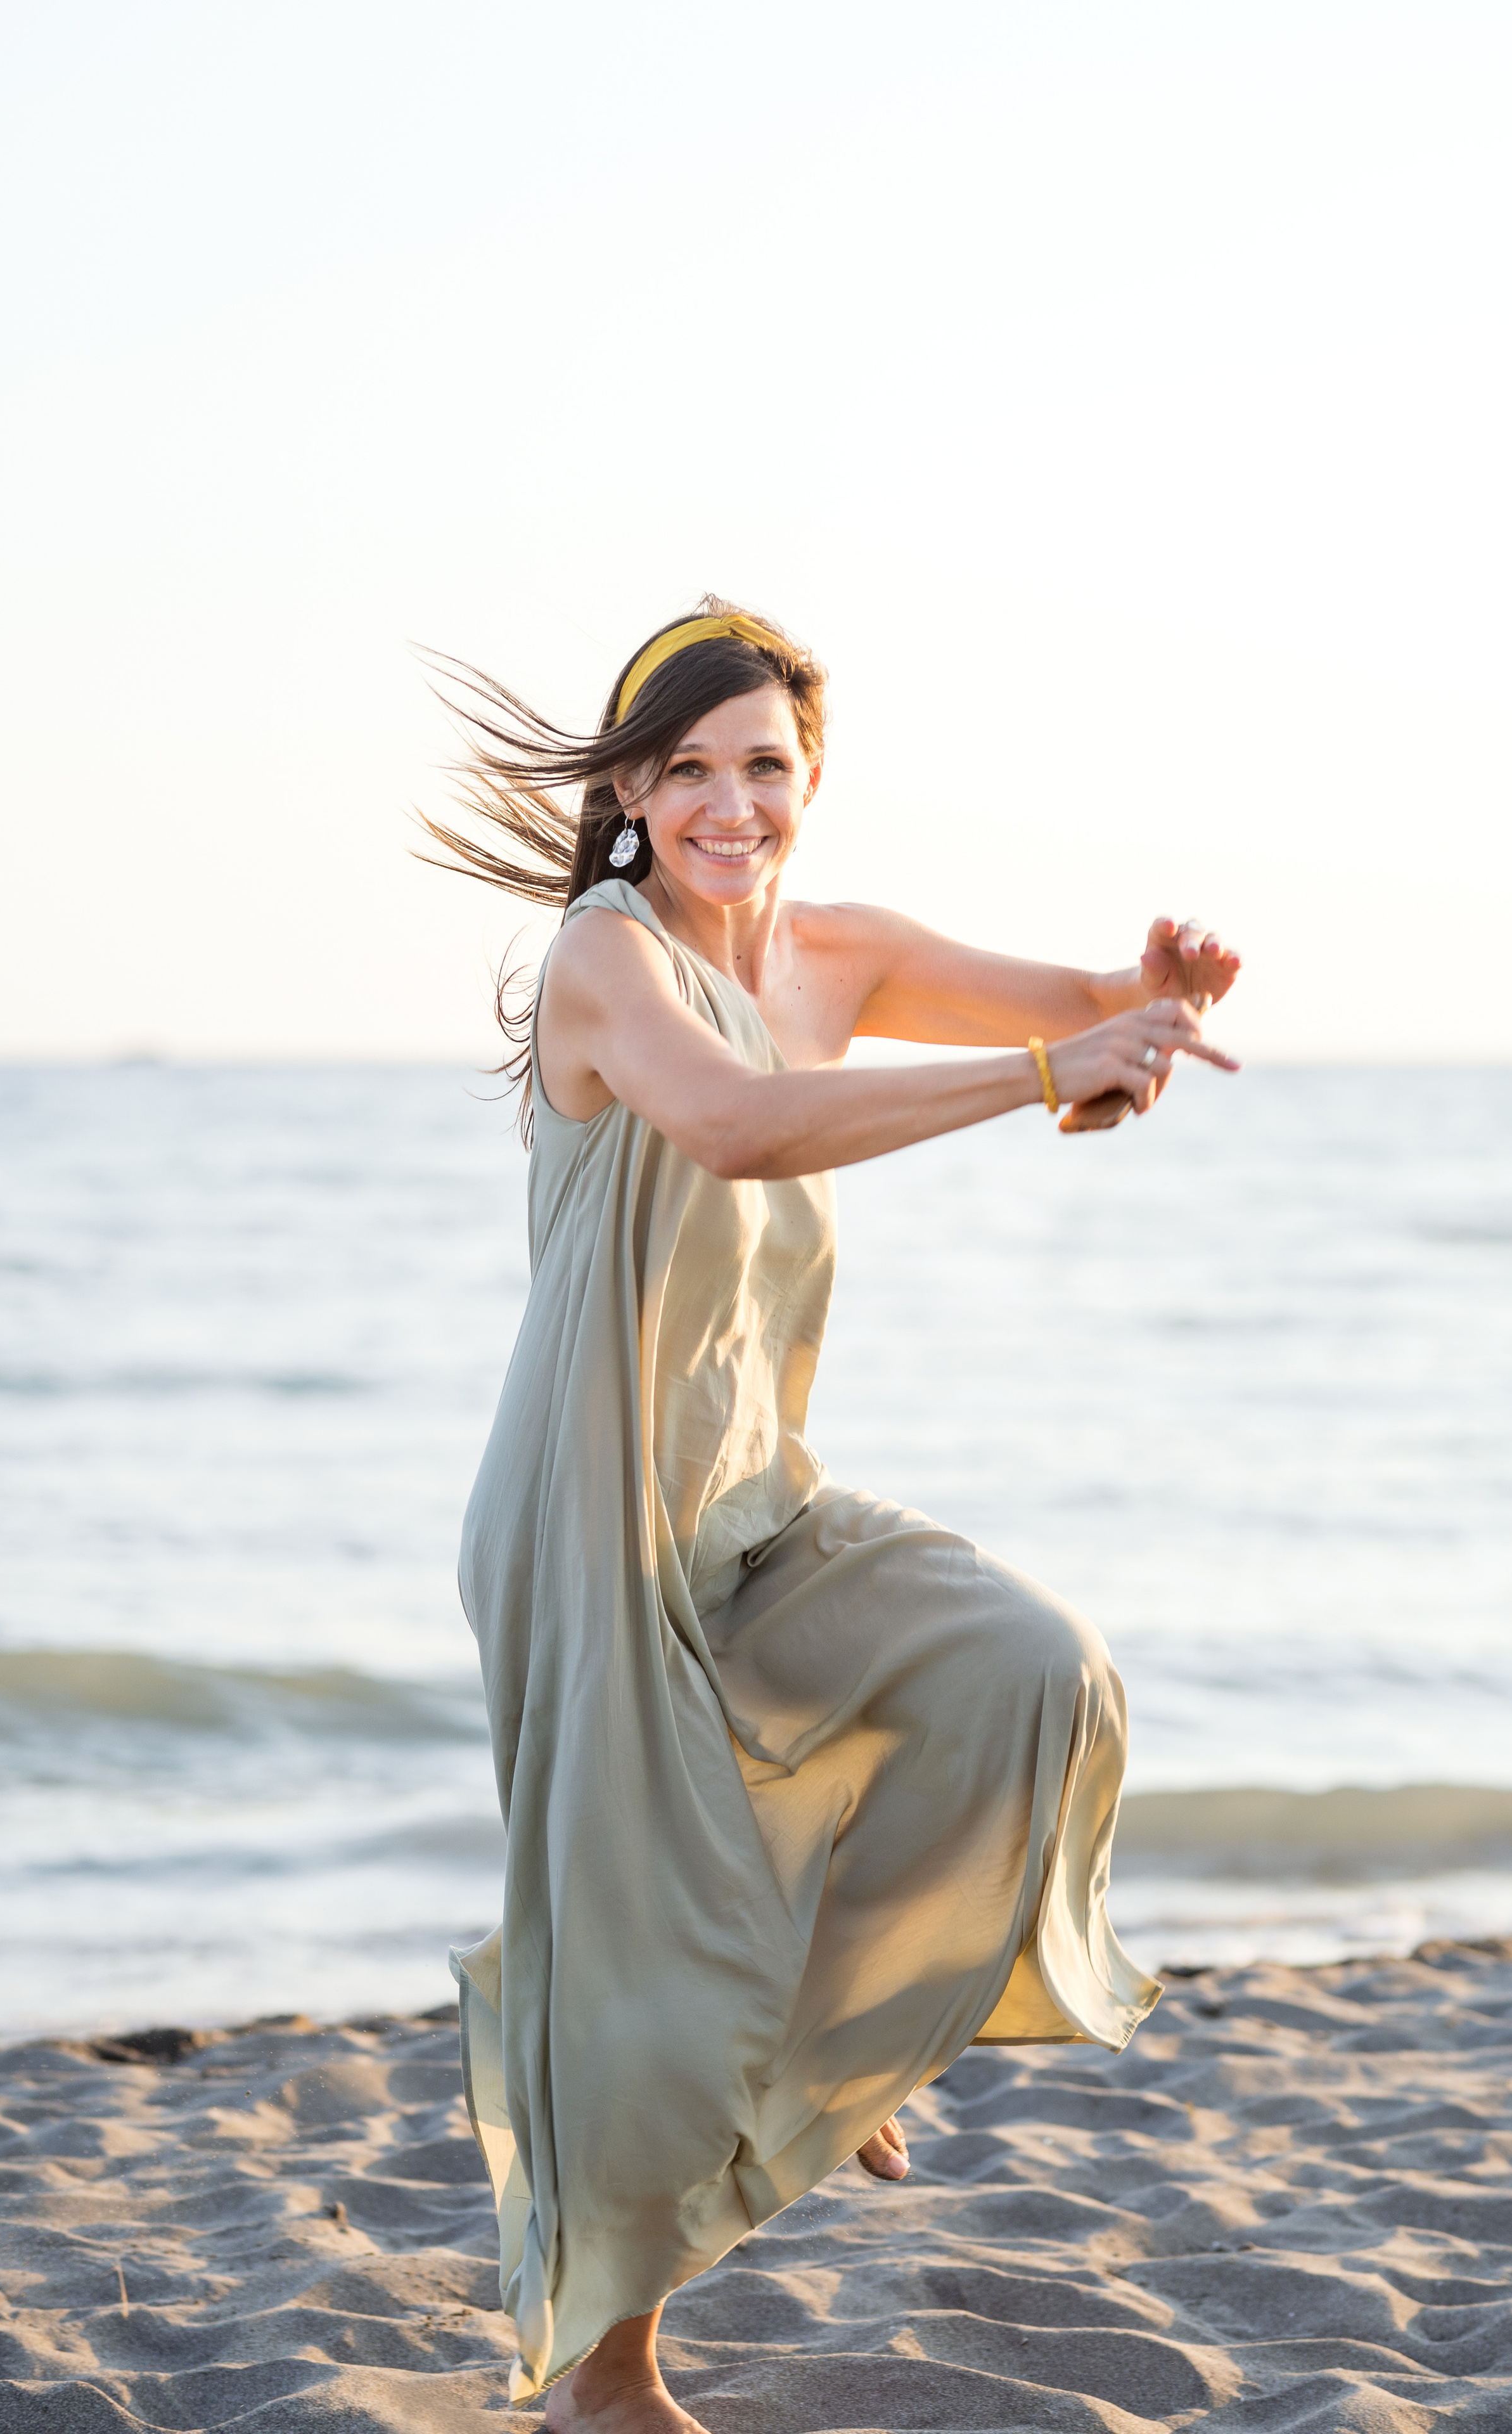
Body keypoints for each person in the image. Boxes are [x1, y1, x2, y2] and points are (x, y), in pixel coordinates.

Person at [424, 598, 1241, 2430]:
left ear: (812, 783)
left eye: (766, 768)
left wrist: (1159, 998)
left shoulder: (843, 952)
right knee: (618, 1965)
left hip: (756, 1507)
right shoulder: (604, 963)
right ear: (629, 791)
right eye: (690, 768)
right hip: (589, 1527)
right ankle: (608, 2378)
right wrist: (1052, 1075)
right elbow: (732, 1124)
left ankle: (832, 2062)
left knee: (1034, 1673)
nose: (732, 801)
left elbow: (1100, 1017)